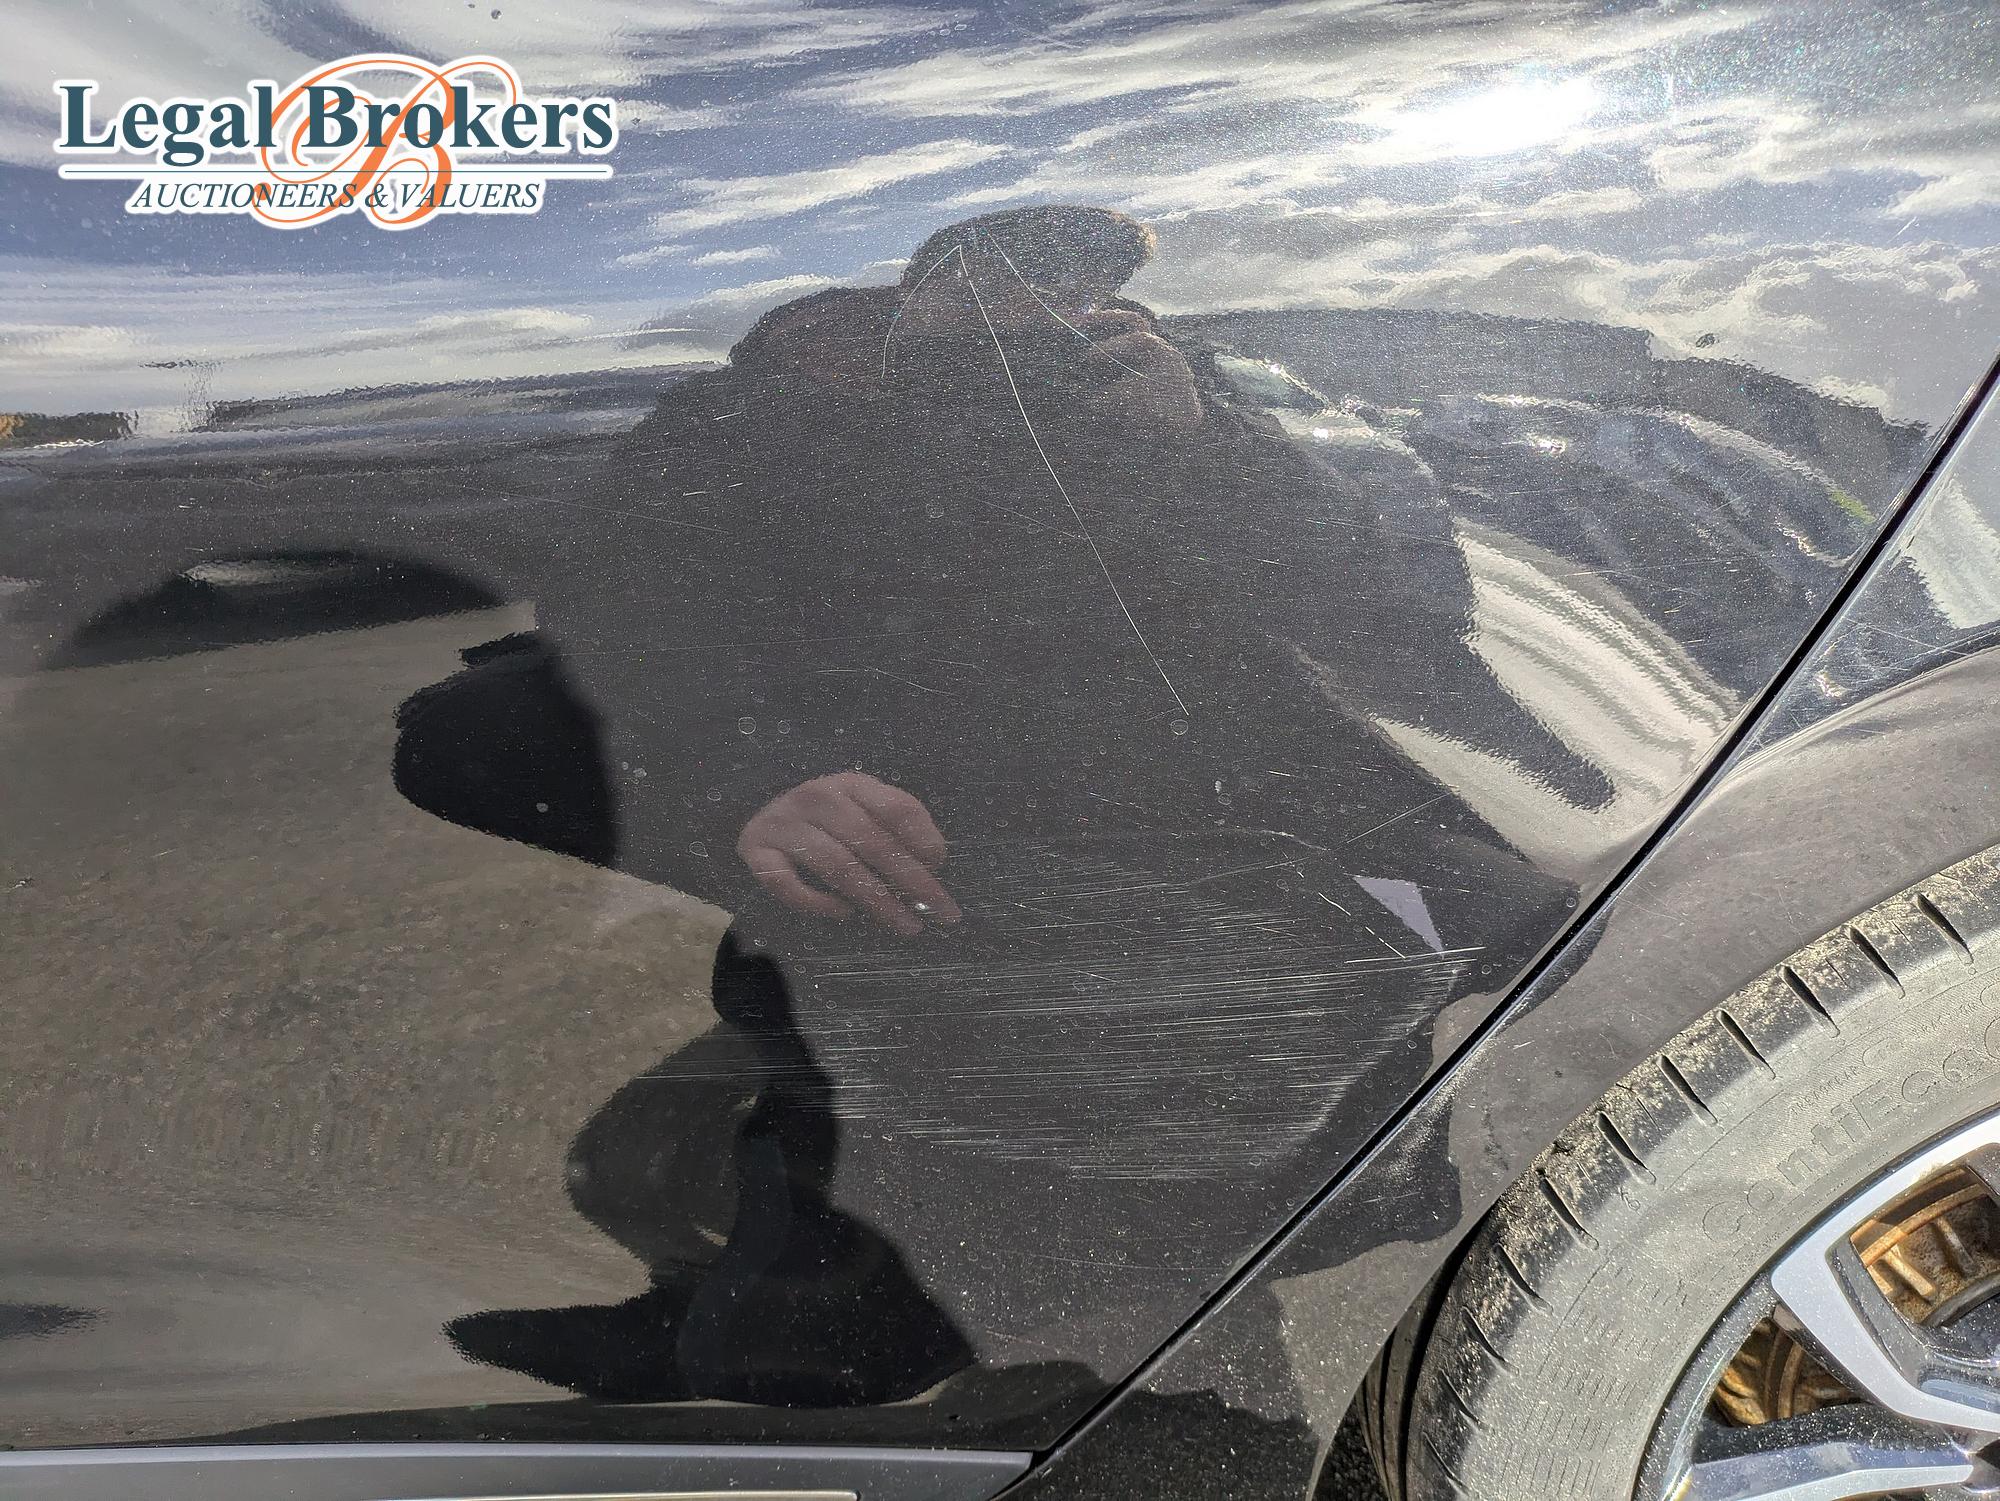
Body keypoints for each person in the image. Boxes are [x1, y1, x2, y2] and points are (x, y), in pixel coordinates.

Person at [395, 204, 1555, 1410]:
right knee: (952, 1210)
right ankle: (872, 1366)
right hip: (920, 818)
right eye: (1000, 279)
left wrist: (1201, 438)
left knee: (1224, 1171)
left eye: (1070, 285)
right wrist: (753, 772)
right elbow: (629, 599)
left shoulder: (1153, 391)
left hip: (1209, 815)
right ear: (920, 287)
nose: (1036, 311)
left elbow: (1356, 591)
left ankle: (1147, 1374)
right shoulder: (773, 405)